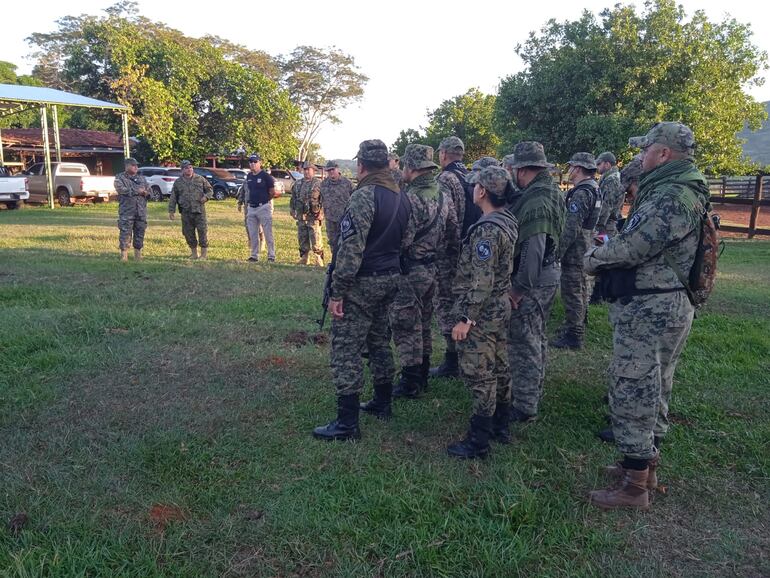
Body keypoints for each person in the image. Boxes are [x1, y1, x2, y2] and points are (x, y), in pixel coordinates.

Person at [585, 122, 708, 509]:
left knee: (633, 386)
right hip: (663, 302)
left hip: (653, 306)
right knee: (654, 385)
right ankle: (642, 469)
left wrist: (593, 258)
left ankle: (634, 486)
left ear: (664, 154)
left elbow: (635, 246)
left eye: (646, 149)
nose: (640, 156)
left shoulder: (671, 195)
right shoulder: (680, 188)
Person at [313, 139, 413, 440]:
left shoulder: (364, 195)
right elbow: (407, 240)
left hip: (362, 282)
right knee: (380, 340)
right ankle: (383, 402)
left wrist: (338, 291)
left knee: (346, 348)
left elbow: (350, 248)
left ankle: (347, 423)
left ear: (361, 165)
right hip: (391, 277)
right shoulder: (401, 196)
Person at [446, 166, 518, 459]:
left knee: (480, 373)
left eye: (475, 185)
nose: (472, 189)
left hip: (484, 309)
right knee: (500, 365)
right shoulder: (507, 220)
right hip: (499, 304)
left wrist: (467, 318)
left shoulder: (487, 229)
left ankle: (479, 441)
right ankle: (500, 427)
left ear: (483, 191)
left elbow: (482, 279)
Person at [506, 142, 565, 421]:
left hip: (534, 281)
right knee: (537, 337)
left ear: (523, 170)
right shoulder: (549, 191)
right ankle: (532, 392)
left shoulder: (537, 200)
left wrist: (518, 289)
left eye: (514, 169)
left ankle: (524, 405)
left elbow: (533, 249)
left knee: (524, 341)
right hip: (548, 275)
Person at [388, 144, 451, 400]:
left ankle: (410, 381)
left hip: (410, 270)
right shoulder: (442, 193)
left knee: (405, 325)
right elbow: (453, 231)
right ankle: (422, 373)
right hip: (432, 267)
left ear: (411, 168)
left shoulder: (410, 198)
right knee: (424, 323)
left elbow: (402, 239)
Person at [595, 154, 644, 444]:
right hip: (640, 292)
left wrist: (596, 256)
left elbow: (631, 249)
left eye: (630, 189)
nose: (627, 195)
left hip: (650, 299)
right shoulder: (645, 203)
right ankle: (623, 409)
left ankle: (631, 425)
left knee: (640, 364)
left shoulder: (659, 204)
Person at [552, 152, 600, 350]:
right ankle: (579, 322)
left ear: (578, 169)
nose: (569, 170)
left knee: (572, 290)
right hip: (585, 243)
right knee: (580, 286)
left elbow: (571, 227)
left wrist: (557, 252)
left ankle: (574, 335)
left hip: (576, 247)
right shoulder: (593, 188)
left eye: (571, 167)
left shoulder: (581, 193)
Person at [430, 136, 467, 378]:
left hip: (449, 252)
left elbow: (443, 218)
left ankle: (452, 359)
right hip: (468, 251)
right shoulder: (471, 176)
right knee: (462, 301)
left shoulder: (445, 179)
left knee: (445, 303)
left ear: (443, 154)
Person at [168, 160, 213, 259]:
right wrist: (171, 210)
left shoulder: (200, 179)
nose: (189, 169)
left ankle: (204, 254)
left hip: (199, 211)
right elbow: (173, 197)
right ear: (182, 170)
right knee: (188, 233)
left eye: (190, 167)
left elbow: (210, 190)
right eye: (186, 168)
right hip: (186, 211)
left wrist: (206, 197)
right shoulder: (178, 182)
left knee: (202, 232)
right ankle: (194, 253)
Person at [114, 157, 149, 262]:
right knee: (125, 233)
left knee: (140, 232)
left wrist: (146, 192)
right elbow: (121, 190)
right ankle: (124, 255)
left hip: (140, 211)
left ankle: (138, 255)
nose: (136, 167)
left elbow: (149, 190)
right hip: (127, 211)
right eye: (133, 165)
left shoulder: (142, 178)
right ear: (127, 166)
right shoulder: (120, 178)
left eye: (137, 165)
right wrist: (137, 191)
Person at [243, 154, 276, 262]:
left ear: (260, 163)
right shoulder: (249, 176)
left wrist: (265, 201)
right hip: (251, 208)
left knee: (267, 232)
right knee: (253, 233)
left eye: (255, 161)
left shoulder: (266, 176)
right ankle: (254, 255)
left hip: (263, 207)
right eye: (251, 162)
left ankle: (271, 255)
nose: (252, 164)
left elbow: (272, 192)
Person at [291, 162, 324, 266]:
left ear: (313, 171)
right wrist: (292, 209)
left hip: (313, 215)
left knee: (315, 237)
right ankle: (304, 258)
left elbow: (324, 199)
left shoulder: (319, 183)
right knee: (302, 237)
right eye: (305, 169)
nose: (306, 171)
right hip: (301, 215)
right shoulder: (298, 183)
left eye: (308, 169)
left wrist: (322, 213)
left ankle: (319, 259)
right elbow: (293, 198)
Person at [320, 160, 353, 258]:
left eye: (332, 170)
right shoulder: (324, 184)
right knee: (332, 241)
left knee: (345, 241)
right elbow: (320, 198)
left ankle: (343, 261)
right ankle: (334, 260)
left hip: (344, 218)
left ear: (337, 169)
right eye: (328, 171)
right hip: (329, 218)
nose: (331, 172)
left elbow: (354, 197)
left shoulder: (347, 183)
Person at [594, 152, 625, 237]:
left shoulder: (611, 180)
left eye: (599, 164)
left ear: (607, 164)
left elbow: (606, 206)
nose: (597, 167)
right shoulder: (612, 177)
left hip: (606, 228)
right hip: (608, 225)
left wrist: (597, 226)